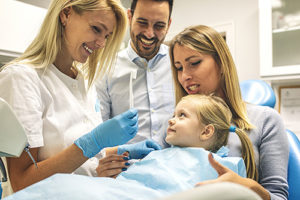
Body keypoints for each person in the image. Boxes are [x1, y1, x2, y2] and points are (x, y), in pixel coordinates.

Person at [0, 0, 159, 197]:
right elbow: (22, 183)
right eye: (96, 29)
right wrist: (93, 142)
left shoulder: (84, 81)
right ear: (66, 14)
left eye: (107, 36)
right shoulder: (22, 78)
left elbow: (80, 156)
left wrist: (119, 151)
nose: (101, 43)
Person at [3, 94, 260, 200]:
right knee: (59, 184)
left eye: (182, 116)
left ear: (206, 131)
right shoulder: (159, 154)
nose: (172, 119)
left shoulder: (219, 164)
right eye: (174, 113)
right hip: (120, 190)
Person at [169, 24, 289, 200]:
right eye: (179, 67)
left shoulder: (265, 120)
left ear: (222, 63)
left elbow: (279, 197)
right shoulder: (175, 123)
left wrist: (247, 187)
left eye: (194, 63)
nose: (184, 76)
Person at [95, 0, 175, 176]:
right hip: (123, 176)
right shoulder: (106, 67)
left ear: (169, 25)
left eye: (159, 26)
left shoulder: (178, 63)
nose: (149, 33)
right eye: (142, 22)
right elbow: (96, 132)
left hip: (174, 173)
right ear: (129, 17)